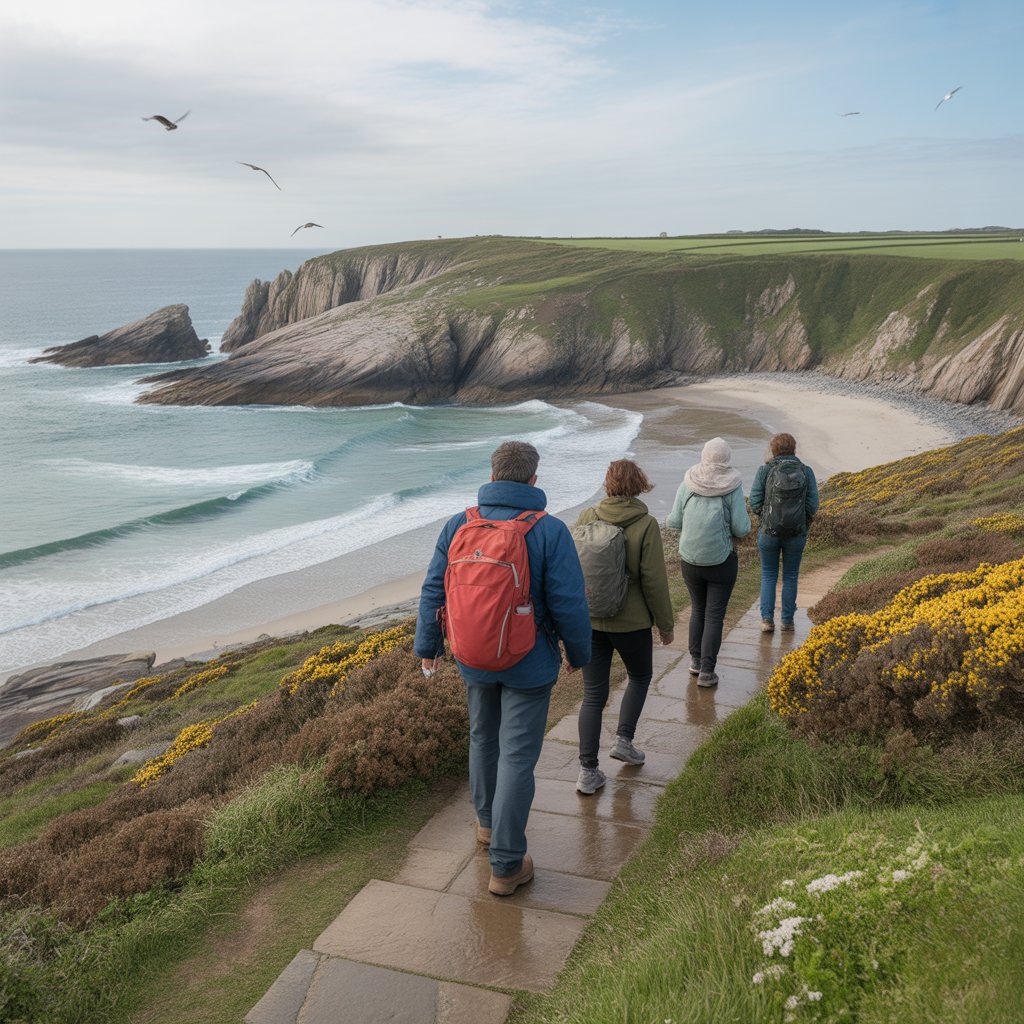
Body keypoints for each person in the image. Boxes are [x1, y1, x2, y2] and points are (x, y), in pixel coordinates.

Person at [414, 440, 592, 897]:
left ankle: (488, 827)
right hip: (529, 662)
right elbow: (569, 602)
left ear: (492, 475)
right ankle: (507, 865)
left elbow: (434, 589)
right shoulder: (549, 530)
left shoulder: (459, 524)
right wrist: (579, 653)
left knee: (481, 738)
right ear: (533, 480)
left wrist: (428, 648)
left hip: (471, 655)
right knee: (516, 756)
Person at [573, 460, 675, 795]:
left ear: (608, 484)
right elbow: (654, 581)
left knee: (593, 694)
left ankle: (588, 772)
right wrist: (665, 624)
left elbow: (573, 567)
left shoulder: (587, 517)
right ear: (639, 485)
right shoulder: (645, 524)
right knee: (641, 677)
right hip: (631, 622)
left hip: (590, 620)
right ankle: (624, 740)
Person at [666, 437, 751, 687]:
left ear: (704, 455)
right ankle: (707, 671)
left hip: (690, 560)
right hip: (721, 561)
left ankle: (695, 661)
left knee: (697, 609)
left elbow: (673, 522)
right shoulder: (732, 485)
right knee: (714, 615)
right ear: (727, 458)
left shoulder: (689, 481)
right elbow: (742, 528)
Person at [749, 432, 819, 633]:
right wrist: (802, 522)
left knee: (769, 575)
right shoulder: (806, 471)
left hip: (768, 533)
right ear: (794, 449)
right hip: (797, 534)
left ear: (773, 450)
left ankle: (766, 620)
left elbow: (754, 501)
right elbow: (813, 505)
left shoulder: (765, 471)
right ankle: (787, 621)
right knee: (790, 576)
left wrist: (766, 519)